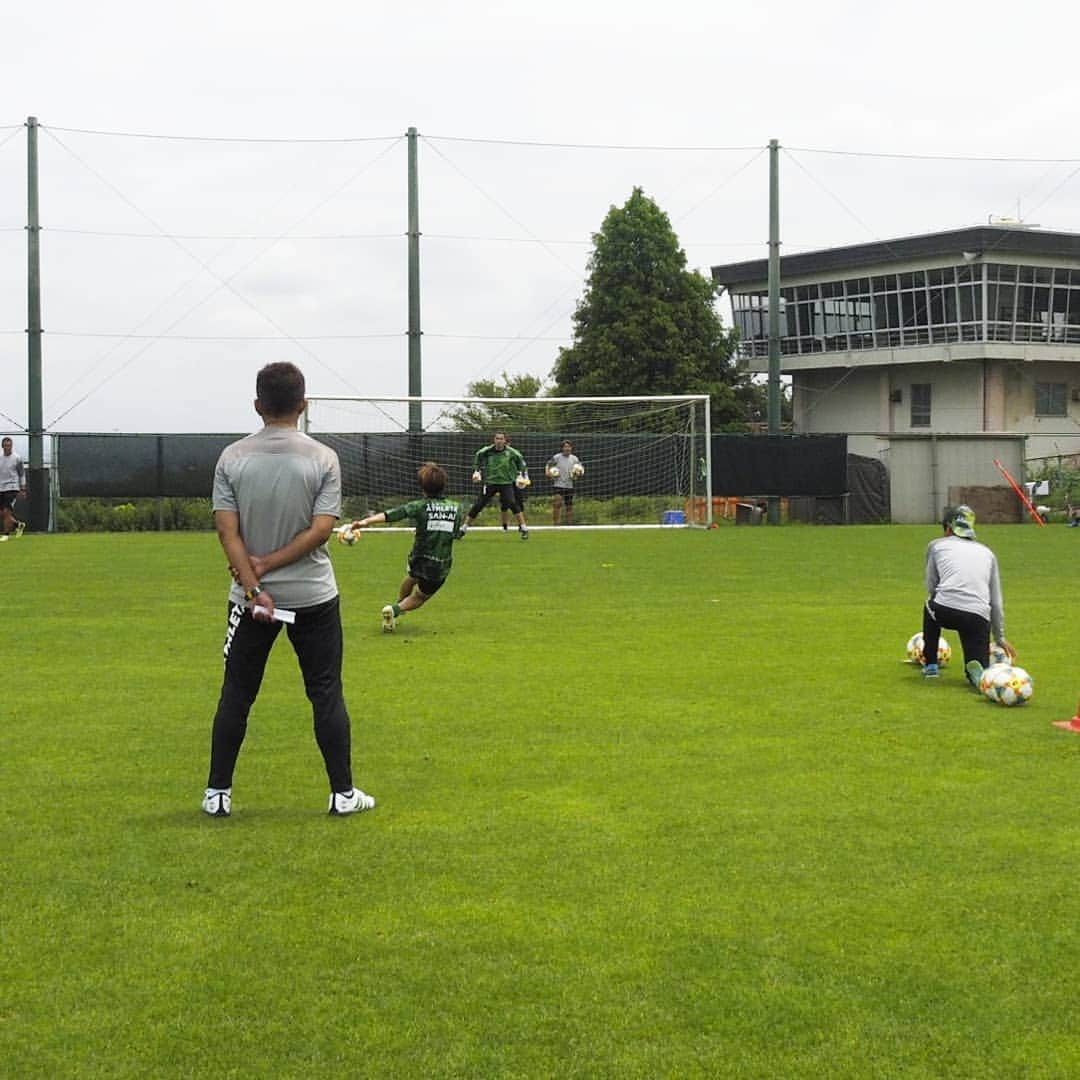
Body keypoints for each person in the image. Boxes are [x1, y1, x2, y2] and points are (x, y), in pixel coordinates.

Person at [203, 361, 374, 818]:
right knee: (325, 692)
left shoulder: (232, 458)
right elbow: (321, 531)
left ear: (258, 405)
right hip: (314, 596)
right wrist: (272, 564)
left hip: (250, 599)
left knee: (237, 693)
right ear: (303, 404)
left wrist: (256, 583)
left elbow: (227, 533)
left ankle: (217, 794)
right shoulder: (323, 458)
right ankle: (342, 794)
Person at [349, 461, 467, 632]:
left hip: (418, 557)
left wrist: (365, 521)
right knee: (420, 597)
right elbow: (455, 534)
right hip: (439, 563)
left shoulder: (419, 505)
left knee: (412, 576)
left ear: (423, 487)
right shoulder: (457, 508)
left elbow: (393, 514)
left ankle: (398, 604)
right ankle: (396, 609)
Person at [921, 504, 1014, 687]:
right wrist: (999, 637)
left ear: (948, 528)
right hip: (979, 616)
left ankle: (931, 664)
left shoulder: (936, 546)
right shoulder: (988, 553)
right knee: (977, 658)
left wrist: (942, 597)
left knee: (929, 607)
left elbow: (932, 584)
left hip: (945, 610)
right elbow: (995, 601)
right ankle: (976, 674)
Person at [465, 430, 529, 539]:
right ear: (494, 440)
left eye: (501, 438)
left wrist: (522, 475)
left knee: (512, 503)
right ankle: (463, 528)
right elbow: (478, 456)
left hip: (506, 483)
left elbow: (521, 462)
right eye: (497, 438)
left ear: (505, 441)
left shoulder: (512, 452)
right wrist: (477, 471)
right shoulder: (487, 451)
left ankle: (523, 528)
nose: (499, 441)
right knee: (479, 504)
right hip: (491, 482)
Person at [545, 439, 582, 526]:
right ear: (562, 448)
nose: (567, 448)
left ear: (571, 448)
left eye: (569, 446)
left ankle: (569, 525)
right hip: (558, 484)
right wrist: (548, 472)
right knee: (557, 504)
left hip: (569, 485)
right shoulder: (557, 457)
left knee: (569, 506)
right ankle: (556, 524)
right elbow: (548, 465)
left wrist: (578, 473)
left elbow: (580, 470)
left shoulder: (575, 458)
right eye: (565, 447)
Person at [0, 437, 26, 540]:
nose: (8, 448)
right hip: (1, 488)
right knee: (2, 513)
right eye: (6, 445)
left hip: (12, 488)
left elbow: (22, 474)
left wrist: (23, 489)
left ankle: (6, 535)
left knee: (7, 511)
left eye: (9, 445)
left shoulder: (17, 458)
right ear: (2, 446)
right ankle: (18, 525)